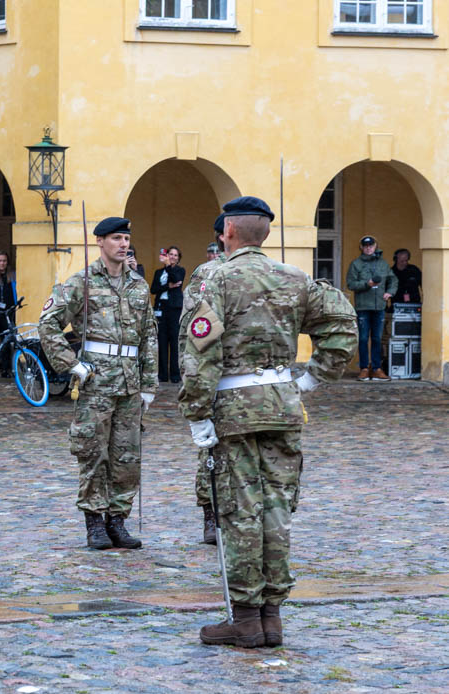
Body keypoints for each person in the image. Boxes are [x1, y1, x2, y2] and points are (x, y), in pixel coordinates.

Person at [179, 195, 355, 648]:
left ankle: (245, 619)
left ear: (229, 232)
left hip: (233, 410)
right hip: (282, 406)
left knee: (240, 513)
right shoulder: (295, 279)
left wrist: (196, 412)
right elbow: (342, 326)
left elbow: (200, 352)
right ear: (266, 233)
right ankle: (271, 618)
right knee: (278, 510)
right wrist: (311, 380)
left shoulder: (214, 279)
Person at [39, 217, 158, 550]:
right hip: (97, 382)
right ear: (100, 243)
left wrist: (149, 384)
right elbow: (48, 323)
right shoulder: (82, 283)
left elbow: (149, 335)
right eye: (117, 238)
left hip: (130, 384)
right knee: (93, 453)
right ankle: (94, 523)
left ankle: (117, 521)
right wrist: (72, 365)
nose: (123, 244)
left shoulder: (137, 285)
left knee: (127, 457)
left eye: (126, 238)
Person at [180, 215, 226, 545]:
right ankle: (210, 515)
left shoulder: (266, 271)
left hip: (253, 376)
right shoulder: (206, 274)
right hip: (216, 371)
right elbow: (193, 326)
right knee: (211, 452)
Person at [345, 236, 397, 381]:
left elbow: (393, 280)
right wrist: (366, 284)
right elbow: (350, 284)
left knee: (377, 338)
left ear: (375, 246)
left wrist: (390, 292)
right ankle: (363, 368)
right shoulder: (356, 264)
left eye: (371, 245)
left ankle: (376, 369)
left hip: (380, 306)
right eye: (365, 246)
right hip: (363, 306)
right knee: (362, 338)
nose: (368, 248)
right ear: (361, 247)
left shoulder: (383, 264)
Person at [150, 246, 185, 383]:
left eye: (175, 255)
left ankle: (175, 374)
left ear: (178, 258)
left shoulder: (180, 270)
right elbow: (153, 289)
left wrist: (168, 267)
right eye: (170, 254)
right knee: (162, 341)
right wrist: (167, 286)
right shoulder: (159, 272)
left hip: (174, 309)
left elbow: (176, 279)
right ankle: (162, 374)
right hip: (161, 308)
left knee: (174, 341)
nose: (172, 257)